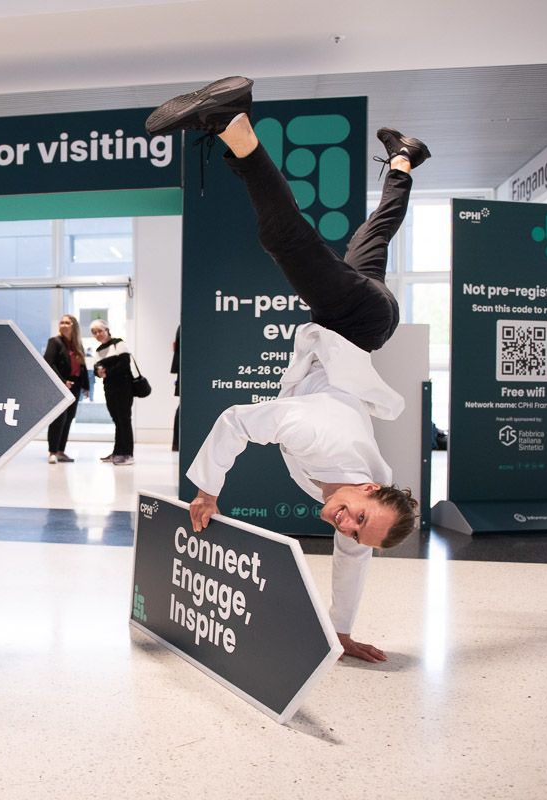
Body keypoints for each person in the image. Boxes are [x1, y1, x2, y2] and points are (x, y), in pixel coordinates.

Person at [146, 77, 423, 662]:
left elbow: (353, 564)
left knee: (372, 236)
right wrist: (208, 490)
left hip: (362, 324)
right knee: (284, 238)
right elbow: (236, 420)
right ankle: (235, 126)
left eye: (353, 531)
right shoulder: (322, 438)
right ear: (370, 488)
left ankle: (404, 159)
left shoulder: (348, 495)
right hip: (357, 320)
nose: (346, 528)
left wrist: (340, 632)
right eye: (359, 519)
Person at [43, 314, 90, 463]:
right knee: (58, 418)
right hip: (60, 386)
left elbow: (82, 366)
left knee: (69, 418)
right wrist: (62, 382)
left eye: (67, 323)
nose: (63, 325)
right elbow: (48, 363)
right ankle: (52, 451)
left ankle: (61, 451)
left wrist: (86, 386)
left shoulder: (77, 344)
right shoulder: (55, 342)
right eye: (61, 322)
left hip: (75, 386)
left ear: (73, 326)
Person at [91, 319, 135, 465]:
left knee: (124, 419)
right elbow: (96, 369)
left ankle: (128, 454)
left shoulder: (119, 343)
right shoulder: (98, 351)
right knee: (117, 420)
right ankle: (117, 452)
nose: (98, 334)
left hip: (124, 388)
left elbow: (124, 364)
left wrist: (106, 372)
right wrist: (99, 372)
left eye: (100, 331)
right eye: (94, 332)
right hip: (109, 389)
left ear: (107, 330)